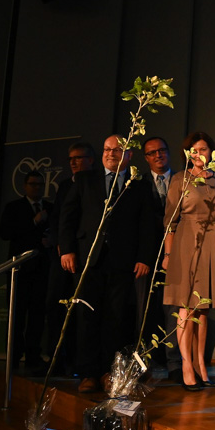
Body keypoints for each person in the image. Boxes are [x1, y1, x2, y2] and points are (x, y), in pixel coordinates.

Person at [59, 135, 156, 393]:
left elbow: (148, 225)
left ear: (129, 155)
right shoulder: (84, 179)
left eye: (117, 150)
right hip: (87, 260)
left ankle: (108, 373)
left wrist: (144, 257)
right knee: (86, 318)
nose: (110, 154)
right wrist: (67, 250)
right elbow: (68, 217)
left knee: (116, 319)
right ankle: (88, 373)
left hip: (122, 263)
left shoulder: (139, 185)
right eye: (106, 149)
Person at [162, 132, 215, 391]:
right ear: (187, 153)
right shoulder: (180, 179)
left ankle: (202, 363)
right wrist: (168, 255)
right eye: (194, 149)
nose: (199, 153)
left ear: (212, 152)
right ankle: (186, 365)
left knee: (203, 308)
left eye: (203, 149)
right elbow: (170, 221)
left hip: (212, 242)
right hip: (185, 243)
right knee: (185, 309)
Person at [46, 142, 95, 376]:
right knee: (56, 306)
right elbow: (58, 219)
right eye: (70, 159)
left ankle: (79, 363)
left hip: (86, 256)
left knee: (81, 311)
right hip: (62, 257)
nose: (74, 162)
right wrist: (62, 246)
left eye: (79, 158)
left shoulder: (97, 184)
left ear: (91, 160)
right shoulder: (65, 185)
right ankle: (56, 360)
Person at [0, 170, 54, 374]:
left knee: (37, 316)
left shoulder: (50, 208)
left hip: (42, 269)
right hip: (19, 269)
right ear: (25, 186)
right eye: (33, 184)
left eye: (40, 184)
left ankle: (33, 355)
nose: (37, 188)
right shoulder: (14, 207)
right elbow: (5, 233)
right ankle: (12, 356)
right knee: (17, 314)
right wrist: (33, 222)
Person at [138, 137, 174, 371]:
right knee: (145, 308)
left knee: (173, 308)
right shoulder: (138, 183)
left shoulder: (184, 180)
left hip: (177, 254)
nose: (158, 155)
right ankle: (146, 361)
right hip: (146, 256)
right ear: (146, 158)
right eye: (152, 153)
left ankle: (174, 362)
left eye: (161, 150)